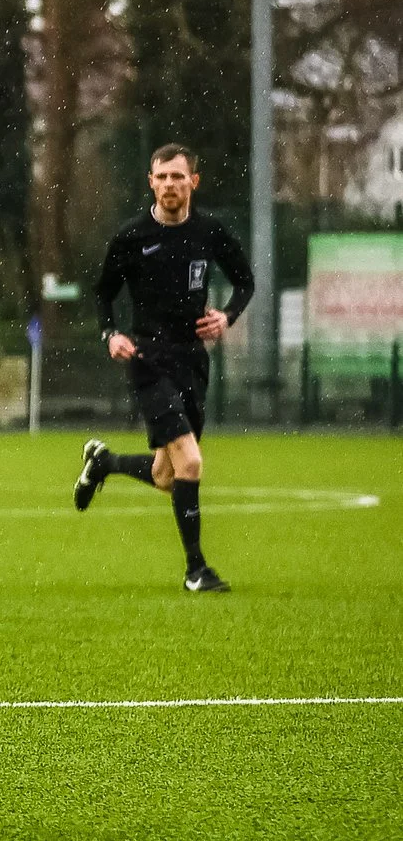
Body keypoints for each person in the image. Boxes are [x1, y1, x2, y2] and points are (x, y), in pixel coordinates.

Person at [73, 143, 254, 593]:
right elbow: (103, 293)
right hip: (147, 360)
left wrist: (227, 315)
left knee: (165, 476)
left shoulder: (210, 231)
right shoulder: (132, 237)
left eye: (178, 176)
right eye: (161, 177)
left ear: (194, 181)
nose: (169, 185)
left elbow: (245, 280)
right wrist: (110, 333)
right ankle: (196, 570)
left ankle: (104, 463)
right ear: (150, 183)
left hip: (191, 359)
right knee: (190, 462)